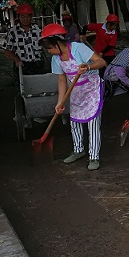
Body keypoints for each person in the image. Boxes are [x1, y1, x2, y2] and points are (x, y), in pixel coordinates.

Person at [40, 23, 107, 171]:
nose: (49, 52)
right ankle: (78, 150)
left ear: (57, 43)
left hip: (92, 88)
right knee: (75, 121)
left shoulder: (78, 48)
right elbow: (62, 80)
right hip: (76, 89)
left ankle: (94, 156)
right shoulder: (56, 59)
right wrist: (60, 103)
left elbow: (101, 62)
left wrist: (88, 67)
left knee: (93, 123)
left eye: (49, 48)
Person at [3, 3, 45, 75]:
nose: (25, 19)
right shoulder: (12, 32)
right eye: (23, 17)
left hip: (38, 64)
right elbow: (7, 50)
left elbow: (46, 44)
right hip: (22, 65)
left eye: (28, 16)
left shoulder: (38, 30)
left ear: (31, 17)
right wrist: (16, 60)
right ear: (18, 17)